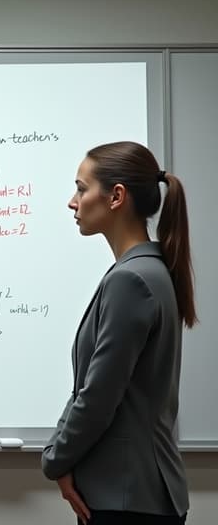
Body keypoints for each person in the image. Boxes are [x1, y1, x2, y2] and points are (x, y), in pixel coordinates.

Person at [41, 141, 197, 525]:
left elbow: (98, 397)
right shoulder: (150, 270)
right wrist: (60, 455)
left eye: (81, 188)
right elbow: (91, 388)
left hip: (126, 500)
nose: (72, 202)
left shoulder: (131, 280)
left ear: (116, 197)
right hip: (134, 495)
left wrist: (54, 461)